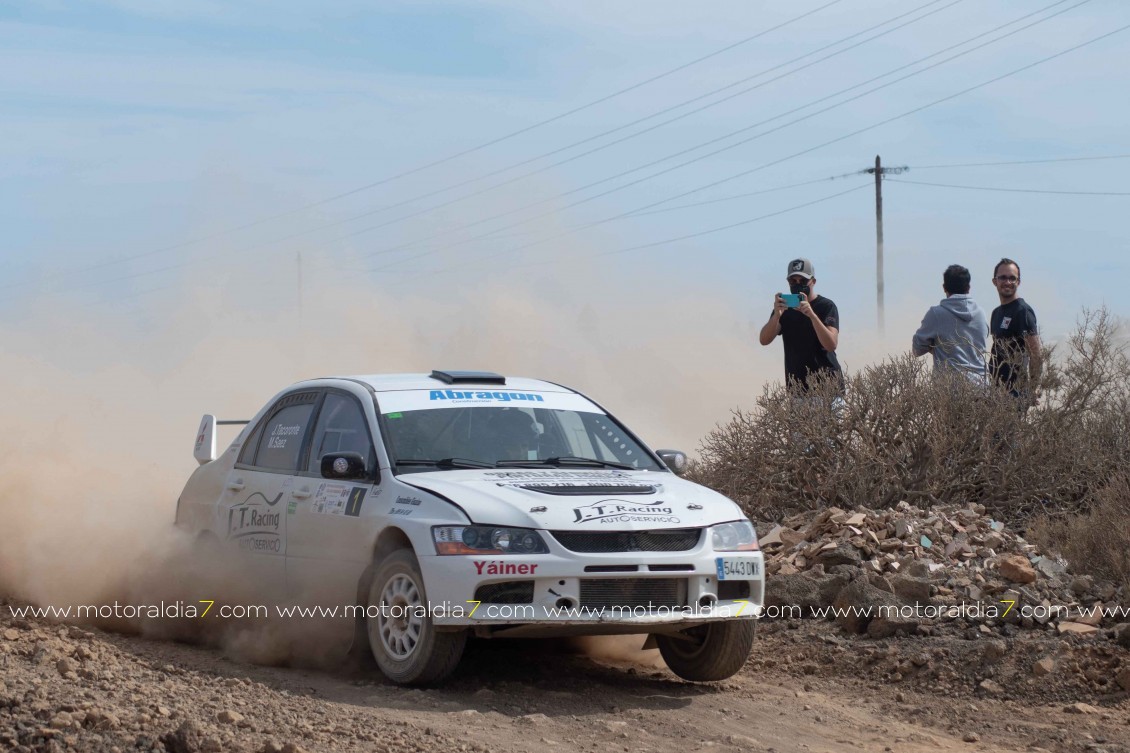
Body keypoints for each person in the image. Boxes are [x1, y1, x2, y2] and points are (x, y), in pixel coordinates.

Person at [758, 258, 842, 393]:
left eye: (802, 281)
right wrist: (777, 316)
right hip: (798, 391)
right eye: (793, 281)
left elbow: (831, 344)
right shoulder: (784, 309)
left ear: (813, 282)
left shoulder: (826, 306)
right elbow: (764, 340)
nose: (797, 285)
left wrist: (812, 316)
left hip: (828, 389)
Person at [911, 264, 988, 383]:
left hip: (950, 391)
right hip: (982, 386)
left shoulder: (936, 314)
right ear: (968, 287)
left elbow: (917, 349)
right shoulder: (981, 314)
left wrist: (935, 346)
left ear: (944, 287)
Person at [989, 258, 1042, 404]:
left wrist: (1032, 388)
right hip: (997, 392)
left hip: (1016, 394)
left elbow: (1035, 354)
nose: (1007, 282)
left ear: (1018, 282)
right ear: (995, 281)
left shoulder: (1022, 311)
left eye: (1012, 278)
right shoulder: (996, 313)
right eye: (1003, 277)